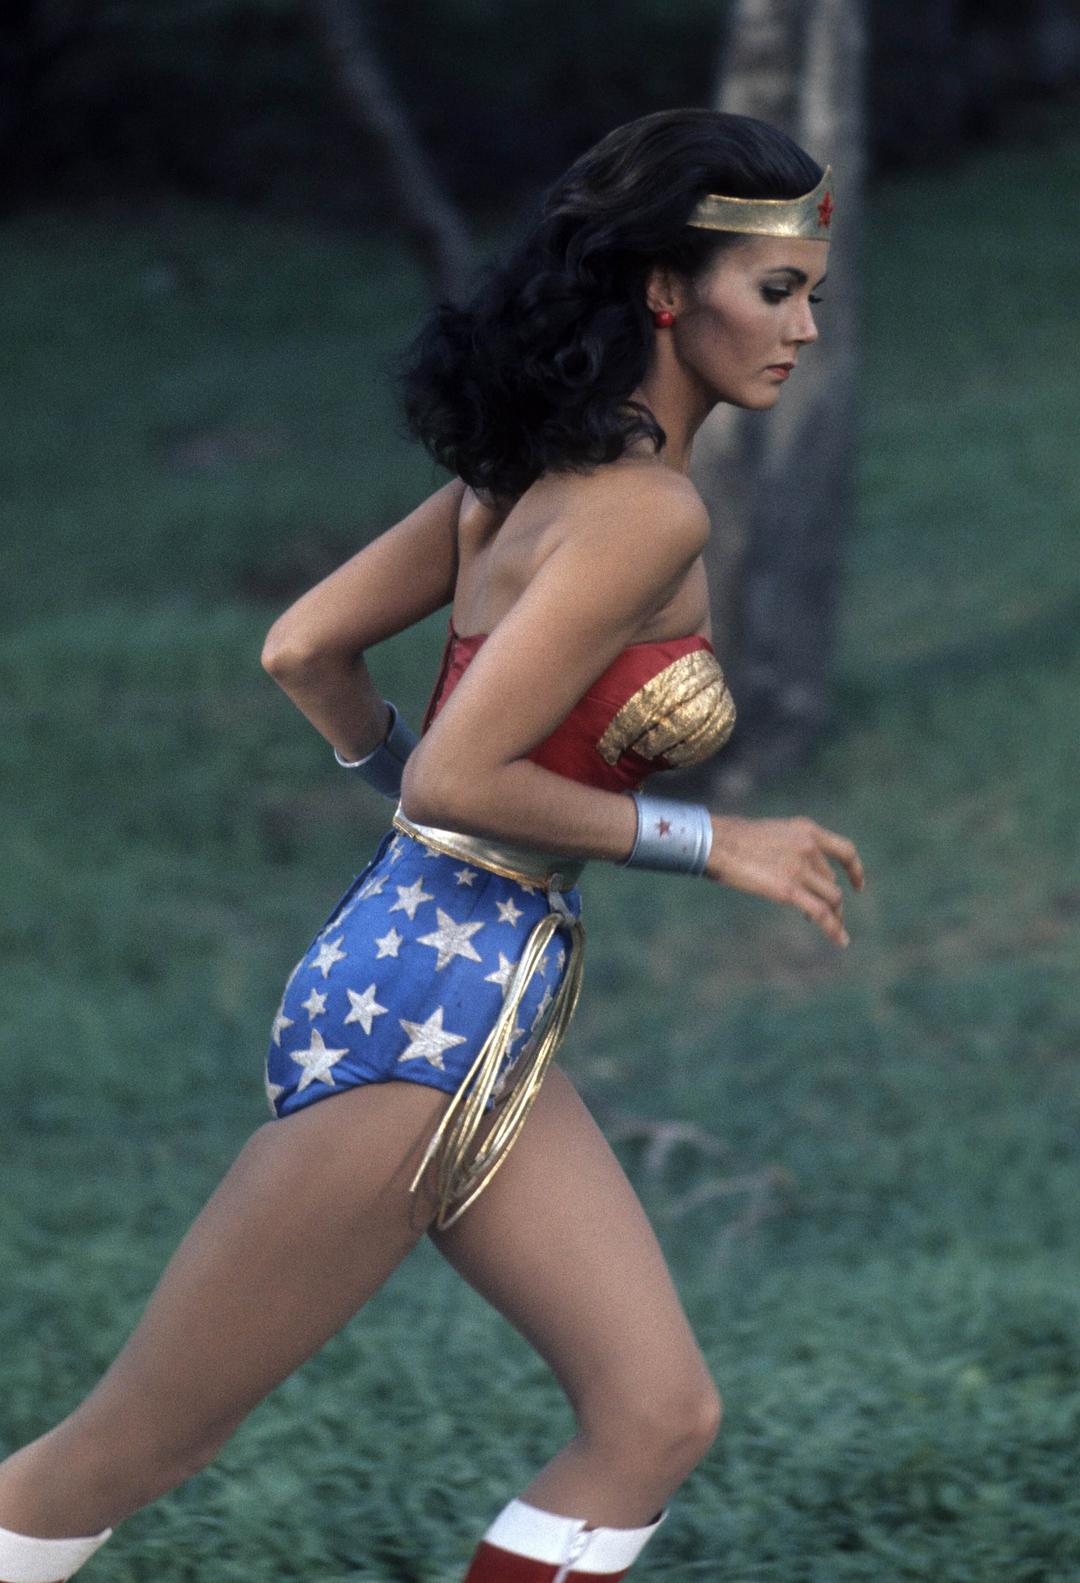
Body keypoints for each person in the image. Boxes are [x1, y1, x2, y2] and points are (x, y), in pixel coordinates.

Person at [0, 107, 865, 1583]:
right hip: (424, 1021)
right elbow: (466, 775)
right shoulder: (644, 511)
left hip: (459, 992)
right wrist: (712, 840)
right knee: (121, 1452)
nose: (804, 329)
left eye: (813, 296)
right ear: (667, 289)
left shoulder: (516, 483)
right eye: (777, 290)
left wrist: (408, 803)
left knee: (655, 1416)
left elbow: (304, 648)